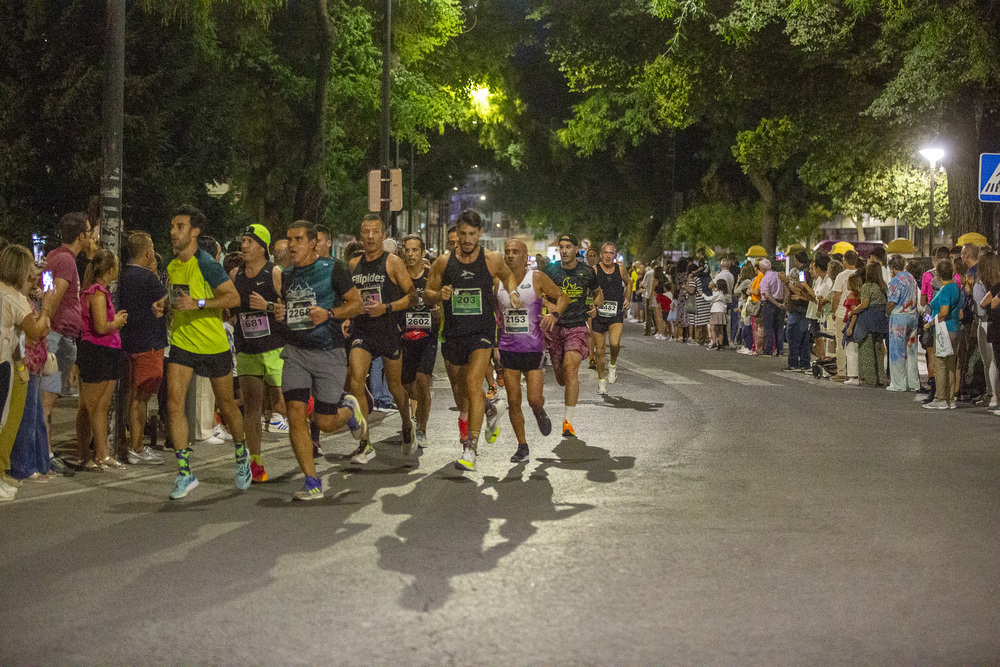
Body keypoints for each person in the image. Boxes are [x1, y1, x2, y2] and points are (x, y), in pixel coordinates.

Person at [273, 220, 367, 500]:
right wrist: (282, 314)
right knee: (295, 413)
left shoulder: (334, 269)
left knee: (325, 422)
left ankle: (350, 411)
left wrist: (328, 314)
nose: (291, 245)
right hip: (296, 351)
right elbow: (291, 309)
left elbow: (357, 304)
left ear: (313, 243)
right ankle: (312, 481)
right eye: (289, 239)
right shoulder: (287, 274)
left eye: (298, 239)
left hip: (328, 350)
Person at [424, 210, 520, 471]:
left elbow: (509, 274)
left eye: (472, 234)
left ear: (480, 234)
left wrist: (511, 292)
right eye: (463, 234)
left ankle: (471, 448)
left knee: (472, 382)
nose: (467, 239)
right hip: (453, 332)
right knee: (460, 391)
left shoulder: (491, 260)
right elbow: (426, 294)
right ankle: (490, 409)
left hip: (482, 332)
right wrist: (439, 294)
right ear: (456, 233)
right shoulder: (443, 263)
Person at [164, 204, 248, 500]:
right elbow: (178, 295)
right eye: (173, 227)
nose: (173, 232)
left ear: (195, 231)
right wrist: (164, 303)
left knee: (226, 406)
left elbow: (233, 298)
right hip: (183, 343)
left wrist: (198, 303)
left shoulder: (208, 264)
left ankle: (241, 455)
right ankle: (185, 473)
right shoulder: (173, 265)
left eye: (180, 227)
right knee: (174, 403)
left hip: (213, 345)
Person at [346, 214, 416, 464]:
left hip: (387, 329)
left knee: (396, 387)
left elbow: (412, 297)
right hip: (363, 330)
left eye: (375, 231)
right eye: (366, 232)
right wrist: (347, 316)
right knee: (355, 379)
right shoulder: (354, 265)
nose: (370, 236)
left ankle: (407, 424)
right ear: (360, 235)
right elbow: (349, 299)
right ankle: (365, 443)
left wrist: (386, 307)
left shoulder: (393, 262)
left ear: (383, 234)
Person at [498, 239, 567, 462]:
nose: (510, 255)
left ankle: (539, 412)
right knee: (513, 400)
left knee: (534, 399)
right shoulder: (496, 281)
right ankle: (522, 445)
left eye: (515, 252)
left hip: (533, 348)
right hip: (508, 348)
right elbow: (490, 306)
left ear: (525, 255)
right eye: (507, 252)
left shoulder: (536, 278)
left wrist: (554, 314)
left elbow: (563, 297)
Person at [230, 224, 287, 483]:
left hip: (274, 347)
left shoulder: (274, 272)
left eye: (249, 241)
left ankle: (313, 419)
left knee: (284, 406)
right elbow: (232, 307)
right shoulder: (235, 275)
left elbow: (289, 308)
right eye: (242, 241)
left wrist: (268, 306)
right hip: (247, 348)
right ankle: (255, 462)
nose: (243, 245)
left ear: (262, 246)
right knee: (252, 408)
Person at [40, 212, 92, 476]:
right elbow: (54, 294)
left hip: (58, 334)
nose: (92, 236)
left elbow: (45, 289)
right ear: (80, 235)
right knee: (47, 402)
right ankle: (45, 456)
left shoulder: (54, 256)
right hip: (58, 336)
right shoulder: (66, 261)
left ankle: (44, 452)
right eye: (89, 232)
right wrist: (44, 323)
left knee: (47, 400)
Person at [0, 245, 52, 497]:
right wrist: (47, 309)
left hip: (10, 361)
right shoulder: (17, 299)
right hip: (3, 366)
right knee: (5, 422)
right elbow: (34, 331)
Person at [543, 234, 601, 436]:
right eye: (561, 247)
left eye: (568, 247)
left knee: (571, 368)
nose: (564, 250)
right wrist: (548, 304)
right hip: (555, 327)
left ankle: (568, 421)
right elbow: (537, 293)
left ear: (576, 249)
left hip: (577, 325)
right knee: (561, 377)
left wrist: (595, 305)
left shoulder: (586, 272)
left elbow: (598, 293)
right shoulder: (550, 270)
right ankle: (569, 390)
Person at [75, 249, 126, 470]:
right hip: (96, 351)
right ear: (109, 269)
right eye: (116, 265)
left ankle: (102, 454)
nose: (118, 269)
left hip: (109, 351)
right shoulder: (96, 293)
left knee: (102, 406)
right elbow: (100, 326)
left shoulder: (103, 292)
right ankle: (84, 454)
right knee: (89, 406)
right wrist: (117, 321)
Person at [119, 232, 168, 465]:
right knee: (142, 397)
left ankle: (132, 445)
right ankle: (137, 448)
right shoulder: (147, 278)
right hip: (149, 343)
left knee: (133, 396)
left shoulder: (123, 275)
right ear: (147, 252)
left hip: (130, 342)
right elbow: (168, 301)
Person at [399, 234, 438, 453]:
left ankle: (422, 428)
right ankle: (409, 421)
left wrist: (438, 311)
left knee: (423, 381)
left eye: (415, 250)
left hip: (427, 338)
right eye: (408, 250)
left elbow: (440, 301)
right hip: (404, 339)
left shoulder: (430, 278)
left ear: (422, 253)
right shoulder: (398, 276)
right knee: (407, 388)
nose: (411, 254)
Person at [591, 242, 630, 395]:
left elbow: (629, 283)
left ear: (615, 255)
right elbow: (588, 290)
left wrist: (627, 298)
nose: (608, 256)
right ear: (601, 255)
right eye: (605, 253)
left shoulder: (620, 269)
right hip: (599, 314)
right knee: (599, 351)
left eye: (611, 253)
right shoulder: (594, 271)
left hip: (615, 312)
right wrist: (591, 305)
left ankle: (612, 366)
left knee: (614, 343)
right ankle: (601, 381)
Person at [923, 259, 961, 409]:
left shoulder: (945, 290)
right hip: (954, 329)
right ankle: (950, 398)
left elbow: (944, 311)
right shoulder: (955, 287)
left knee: (939, 364)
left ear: (938, 274)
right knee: (951, 365)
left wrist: (930, 322)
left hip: (943, 330)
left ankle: (940, 398)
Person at [884, 254, 920, 391]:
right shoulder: (911, 278)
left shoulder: (895, 281)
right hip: (912, 316)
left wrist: (888, 313)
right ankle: (913, 382)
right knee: (911, 351)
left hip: (899, 318)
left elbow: (891, 302)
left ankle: (899, 384)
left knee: (897, 351)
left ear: (892, 268)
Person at [850, 262, 889, 387]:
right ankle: (881, 378)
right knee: (878, 349)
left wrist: (853, 311)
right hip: (881, 319)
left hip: (869, 319)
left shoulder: (867, 286)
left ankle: (869, 378)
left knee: (866, 349)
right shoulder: (883, 286)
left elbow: (865, 304)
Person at [974, 250, 1000, 408]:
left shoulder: (980, 284)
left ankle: (992, 394)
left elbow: (981, 309)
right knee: (996, 362)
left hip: (986, 323)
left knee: (988, 361)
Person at [829, 250, 859, 380]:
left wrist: (833, 311)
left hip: (842, 312)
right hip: (856, 311)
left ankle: (841, 371)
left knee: (840, 344)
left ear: (845, 261)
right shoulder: (859, 274)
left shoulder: (841, 276)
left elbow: (836, 296)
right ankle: (855, 371)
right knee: (854, 344)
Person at [702, 280, 728, 350]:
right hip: (721, 312)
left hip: (715, 311)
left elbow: (710, 299)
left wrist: (703, 294)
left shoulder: (718, 293)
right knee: (720, 329)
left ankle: (714, 343)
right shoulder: (722, 293)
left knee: (712, 328)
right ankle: (720, 344)